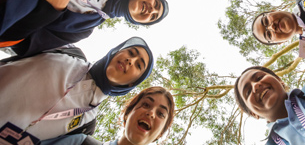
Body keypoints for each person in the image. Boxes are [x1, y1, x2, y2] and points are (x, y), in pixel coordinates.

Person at [0, 37, 155, 142]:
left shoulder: (86, 126)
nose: (130, 60)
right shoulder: (67, 50)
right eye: (131, 52)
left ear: (132, 84)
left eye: (138, 65)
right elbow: (14, 37)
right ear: (117, 51)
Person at [0, 0, 169, 57]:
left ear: (137, 22)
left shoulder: (83, 30)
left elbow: (23, 46)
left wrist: (52, 9)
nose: (151, 11)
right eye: (156, 5)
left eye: (153, 17)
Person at [41, 86, 175, 145]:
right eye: (146, 104)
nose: (151, 113)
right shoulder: (80, 143)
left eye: (161, 114)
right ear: (128, 114)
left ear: (160, 134)